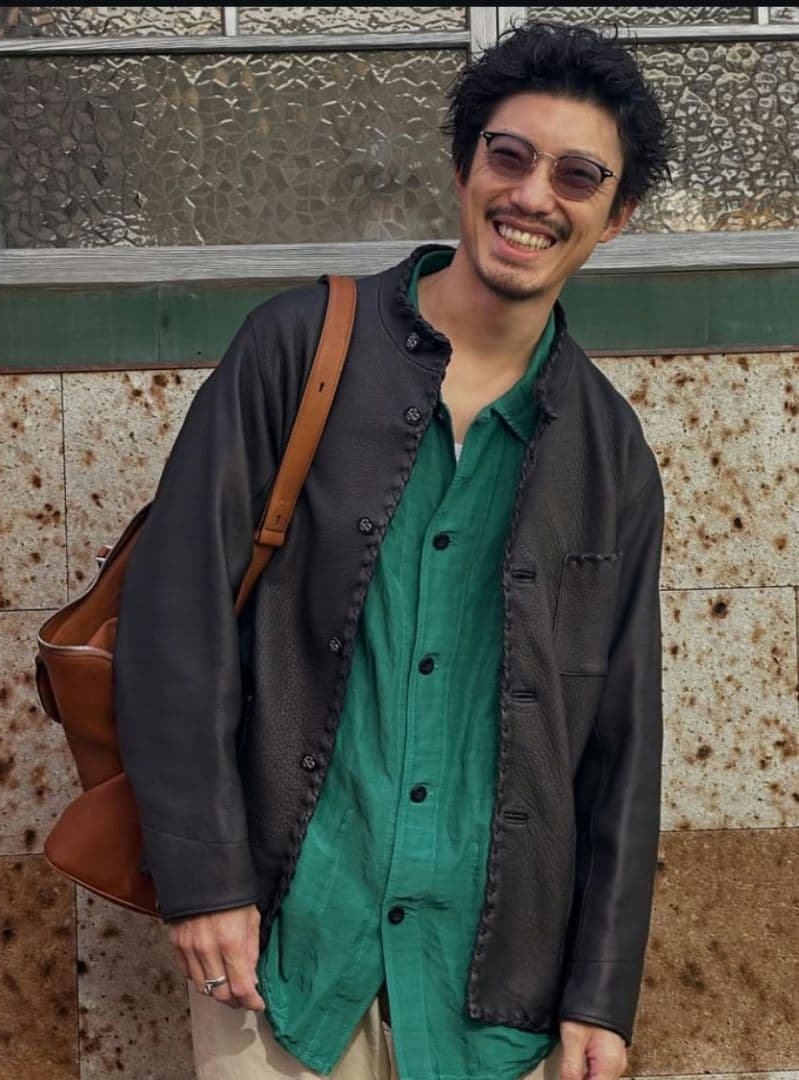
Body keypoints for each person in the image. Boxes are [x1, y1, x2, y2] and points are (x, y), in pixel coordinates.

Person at [113, 20, 672, 1080]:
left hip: (492, 990)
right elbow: (174, 623)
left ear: (616, 214)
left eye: (577, 174)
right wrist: (202, 877)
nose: (532, 195)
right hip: (279, 955)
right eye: (508, 156)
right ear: (463, 167)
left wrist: (602, 992)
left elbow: (621, 737)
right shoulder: (296, 350)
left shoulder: (611, 456)